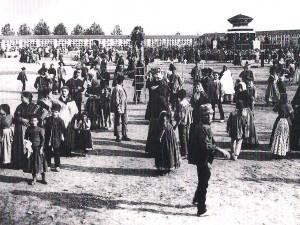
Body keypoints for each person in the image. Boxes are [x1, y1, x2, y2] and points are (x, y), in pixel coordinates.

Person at [188, 103, 230, 216]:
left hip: (202, 158)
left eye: (211, 114)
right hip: (203, 159)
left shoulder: (202, 126)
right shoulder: (203, 128)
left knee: (202, 180)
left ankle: (196, 199)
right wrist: (221, 150)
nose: (211, 116)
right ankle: (201, 209)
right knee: (204, 183)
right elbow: (206, 146)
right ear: (203, 116)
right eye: (208, 115)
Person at [12, 92, 40, 169]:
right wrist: (21, 119)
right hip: (19, 129)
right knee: (20, 145)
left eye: (22, 97)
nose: (21, 98)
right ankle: (19, 163)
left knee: (28, 145)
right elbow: (15, 117)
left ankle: (28, 164)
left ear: (27, 98)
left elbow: (39, 116)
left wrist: (31, 121)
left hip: (29, 129)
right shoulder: (19, 107)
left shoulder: (35, 107)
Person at [23, 114, 47, 185]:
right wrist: (27, 146)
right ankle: (34, 178)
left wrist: (41, 148)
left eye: (35, 120)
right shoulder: (28, 129)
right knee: (33, 164)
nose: (33, 122)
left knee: (41, 163)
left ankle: (43, 178)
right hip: (31, 149)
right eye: (32, 120)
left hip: (38, 148)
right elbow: (25, 138)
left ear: (37, 121)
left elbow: (43, 139)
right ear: (30, 121)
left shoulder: (40, 129)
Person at [235, 82, 259, 148]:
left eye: (240, 88)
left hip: (247, 111)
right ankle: (243, 141)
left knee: (247, 126)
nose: (239, 89)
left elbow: (251, 102)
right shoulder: (239, 93)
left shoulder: (246, 93)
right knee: (242, 126)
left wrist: (251, 111)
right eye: (238, 88)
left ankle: (249, 142)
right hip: (241, 112)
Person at [56, 86, 78, 156]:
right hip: (60, 120)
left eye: (65, 91)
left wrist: (74, 121)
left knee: (68, 136)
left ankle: (68, 151)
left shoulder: (71, 101)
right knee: (60, 134)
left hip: (69, 120)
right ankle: (60, 150)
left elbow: (75, 112)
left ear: (68, 92)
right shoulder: (58, 100)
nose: (64, 93)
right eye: (62, 91)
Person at [270, 94, 293, 158]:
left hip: (280, 121)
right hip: (286, 122)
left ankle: (277, 151)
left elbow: (274, 110)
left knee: (278, 136)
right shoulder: (289, 106)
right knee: (285, 136)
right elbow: (292, 115)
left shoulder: (279, 105)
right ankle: (284, 151)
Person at [44, 103, 65, 172]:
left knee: (57, 152)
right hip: (49, 137)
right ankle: (48, 165)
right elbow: (45, 128)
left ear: (59, 112)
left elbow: (63, 129)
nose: (54, 113)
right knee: (48, 152)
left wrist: (61, 136)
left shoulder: (60, 120)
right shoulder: (48, 119)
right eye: (53, 111)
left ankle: (57, 165)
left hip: (56, 138)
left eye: (56, 112)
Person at [174, 89, 192, 158]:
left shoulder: (181, 104)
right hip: (187, 121)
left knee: (182, 137)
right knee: (186, 136)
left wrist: (176, 125)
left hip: (182, 122)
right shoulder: (187, 102)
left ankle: (184, 152)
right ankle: (187, 151)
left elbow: (180, 116)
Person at [111, 76, 130, 142]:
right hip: (119, 107)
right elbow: (116, 100)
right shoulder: (117, 88)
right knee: (118, 122)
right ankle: (118, 136)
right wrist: (118, 108)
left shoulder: (121, 87)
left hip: (124, 107)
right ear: (121, 81)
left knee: (124, 121)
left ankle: (124, 135)